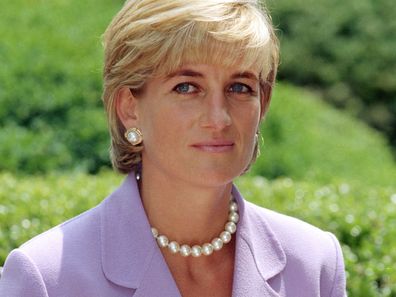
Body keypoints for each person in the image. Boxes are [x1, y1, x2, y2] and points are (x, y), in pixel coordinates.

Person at [0, 0, 347, 296]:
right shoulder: (46, 278)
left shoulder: (315, 264)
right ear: (129, 107)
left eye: (239, 88)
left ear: (263, 104)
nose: (219, 117)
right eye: (186, 87)